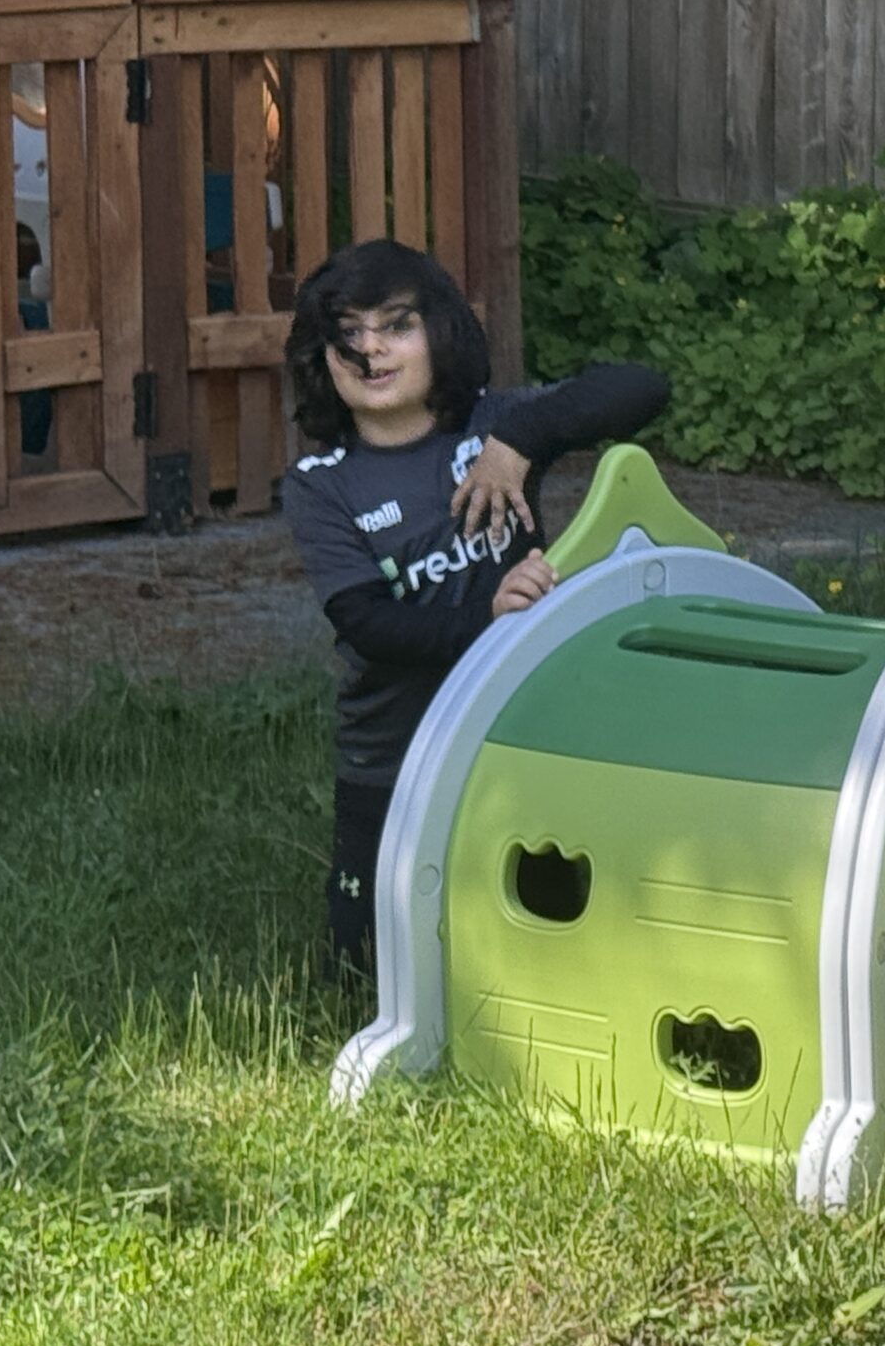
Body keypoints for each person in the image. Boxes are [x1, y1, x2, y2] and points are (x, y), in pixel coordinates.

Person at [281, 238, 670, 982]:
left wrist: (522, 440)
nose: (372, 351)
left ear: (441, 333)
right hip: (393, 755)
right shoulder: (320, 483)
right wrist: (490, 618)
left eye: (396, 325)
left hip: (523, 734)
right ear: (322, 357)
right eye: (349, 334)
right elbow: (368, 626)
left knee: (552, 936)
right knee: (361, 969)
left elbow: (643, 386)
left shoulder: (493, 426)